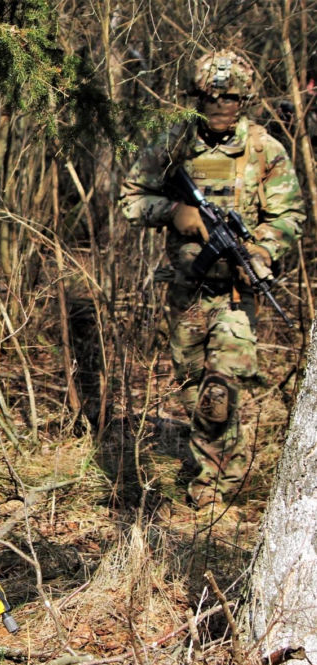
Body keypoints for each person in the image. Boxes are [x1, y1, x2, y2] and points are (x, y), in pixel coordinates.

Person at [120, 50, 304, 510]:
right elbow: (131, 199)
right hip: (186, 290)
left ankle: (220, 485)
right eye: (212, 98)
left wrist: (261, 250)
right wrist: (174, 213)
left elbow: (288, 215)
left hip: (236, 295)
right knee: (192, 387)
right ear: (198, 98)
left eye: (230, 99)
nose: (221, 106)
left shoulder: (265, 150)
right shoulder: (174, 145)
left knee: (220, 390)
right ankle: (217, 464)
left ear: (244, 100)